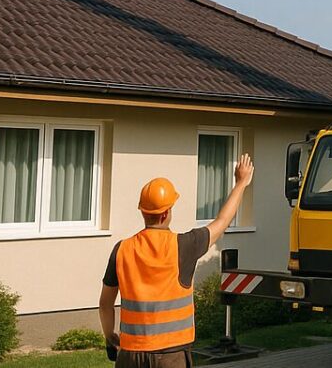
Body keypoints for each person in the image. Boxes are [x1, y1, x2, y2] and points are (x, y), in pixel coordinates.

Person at [99, 154, 255, 368]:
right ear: (166, 214)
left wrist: (110, 336)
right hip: (172, 357)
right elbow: (223, 221)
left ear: (143, 211)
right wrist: (241, 183)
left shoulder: (122, 250)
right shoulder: (185, 246)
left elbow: (105, 304)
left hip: (131, 355)